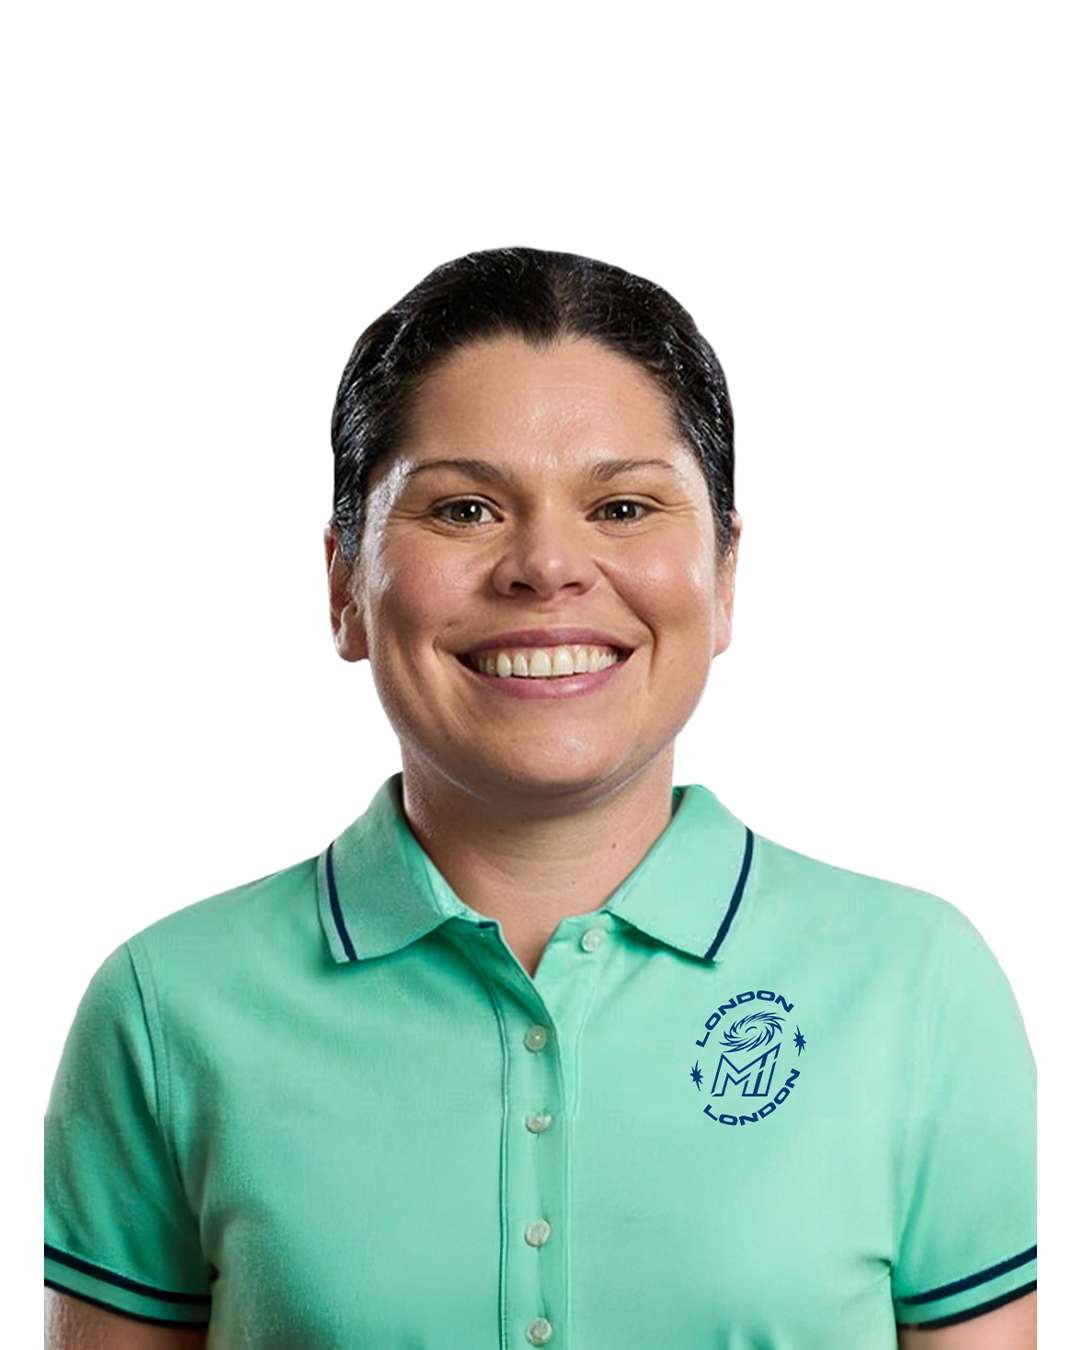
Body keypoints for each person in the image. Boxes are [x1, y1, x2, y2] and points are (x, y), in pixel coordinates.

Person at [45, 246, 1037, 1349]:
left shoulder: (919, 987)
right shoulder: (164, 1009)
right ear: (344, 586)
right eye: (465, 508)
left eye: (623, 505)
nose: (547, 566)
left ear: (725, 579)